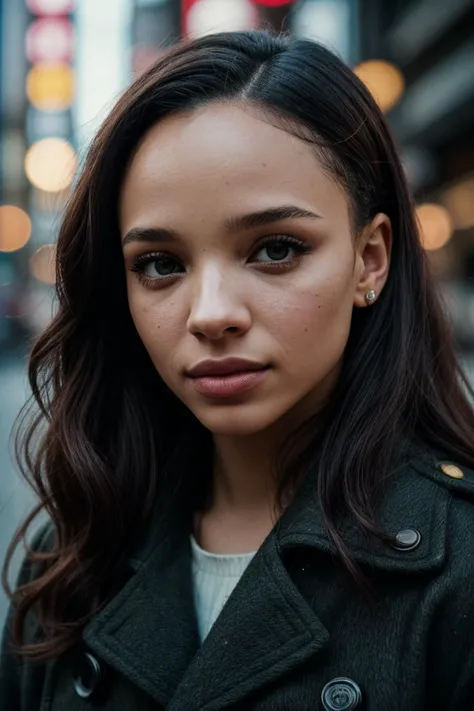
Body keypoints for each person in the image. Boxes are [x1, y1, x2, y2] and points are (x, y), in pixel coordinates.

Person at [1, 29, 474, 711]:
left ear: (369, 259)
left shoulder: (457, 571)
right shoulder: (71, 557)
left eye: (276, 249)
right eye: (160, 264)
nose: (212, 313)